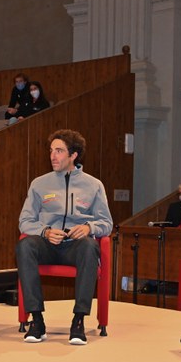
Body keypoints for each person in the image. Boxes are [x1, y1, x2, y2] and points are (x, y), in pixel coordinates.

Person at [16, 129, 113, 346]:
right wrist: (45, 232)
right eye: (51, 151)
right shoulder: (39, 184)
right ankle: (37, 320)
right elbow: (25, 221)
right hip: (47, 244)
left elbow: (106, 223)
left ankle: (78, 320)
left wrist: (89, 227)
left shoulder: (94, 185)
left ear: (73, 155)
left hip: (75, 247)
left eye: (59, 151)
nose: (53, 156)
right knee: (25, 246)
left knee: (89, 247)